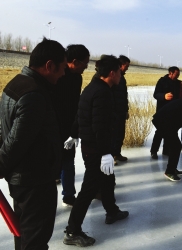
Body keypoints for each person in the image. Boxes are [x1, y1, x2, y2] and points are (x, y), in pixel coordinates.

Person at [0, 38, 66, 250]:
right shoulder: (34, 94)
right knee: (34, 242)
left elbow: (3, 129)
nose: (63, 74)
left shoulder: (16, 83)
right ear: (49, 65)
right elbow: (14, 142)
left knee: (25, 236)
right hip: (34, 183)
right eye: (61, 68)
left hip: (23, 181)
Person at [63, 55, 128, 247]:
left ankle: (112, 211)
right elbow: (101, 126)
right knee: (89, 189)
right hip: (95, 148)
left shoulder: (91, 88)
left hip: (91, 146)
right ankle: (72, 231)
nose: (121, 76)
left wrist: (73, 134)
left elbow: (80, 113)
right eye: (119, 72)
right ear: (111, 73)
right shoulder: (103, 93)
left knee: (107, 178)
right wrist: (106, 153)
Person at [55, 44, 90, 208]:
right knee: (53, 162)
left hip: (69, 127)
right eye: (85, 63)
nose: (86, 67)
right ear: (74, 61)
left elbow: (76, 103)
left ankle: (68, 195)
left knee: (68, 162)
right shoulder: (57, 74)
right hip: (54, 126)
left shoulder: (77, 77)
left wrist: (76, 128)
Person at [150, 66, 182, 159]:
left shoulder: (178, 83)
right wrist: (164, 96)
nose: (177, 76)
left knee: (171, 131)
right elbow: (156, 94)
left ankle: (166, 150)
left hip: (173, 111)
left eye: (178, 75)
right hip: (162, 111)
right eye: (176, 74)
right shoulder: (162, 81)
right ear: (170, 73)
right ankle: (154, 151)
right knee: (160, 132)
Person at [112, 55, 130, 165]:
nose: (127, 68)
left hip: (121, 111)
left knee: (120, 134)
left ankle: (117, 153)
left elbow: (124, 96)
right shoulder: (114, 76)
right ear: (120, 65)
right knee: (113, 135)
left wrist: (126, 110)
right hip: (113, 112)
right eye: (126, 66)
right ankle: (112, 156)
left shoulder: (122, 78)